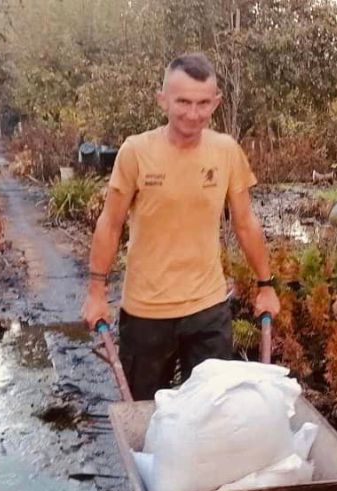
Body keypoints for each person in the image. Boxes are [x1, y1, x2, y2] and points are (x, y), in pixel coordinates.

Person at [80, 52, 280, 400]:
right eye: (183, 101)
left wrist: (266, 285)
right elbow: (110, 224)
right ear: (163, 101)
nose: (193, 113)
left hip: (208, 310)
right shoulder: (136, 152)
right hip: (146, 313)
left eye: (203, 103)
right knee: (146, 415)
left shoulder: (226, 151)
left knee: (211, 414)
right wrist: (96, 294)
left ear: (216, 102)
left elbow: (245, 223)